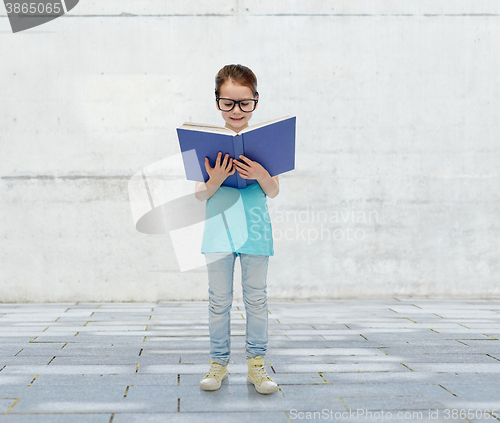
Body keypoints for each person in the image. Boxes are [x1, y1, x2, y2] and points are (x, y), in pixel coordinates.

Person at [194, 64, 280, 395]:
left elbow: (272, 191)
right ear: (217, 102)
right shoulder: (207, 143)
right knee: (219, 301)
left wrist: (260, 172)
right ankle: (218, 364)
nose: (236, 111)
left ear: (255, 101)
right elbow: (200, 194)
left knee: (256, 299)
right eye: (228, 103)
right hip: (218, 232)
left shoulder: (267, 142)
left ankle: (257, 366)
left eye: (245, 103)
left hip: (255, 231)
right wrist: (214, 180)